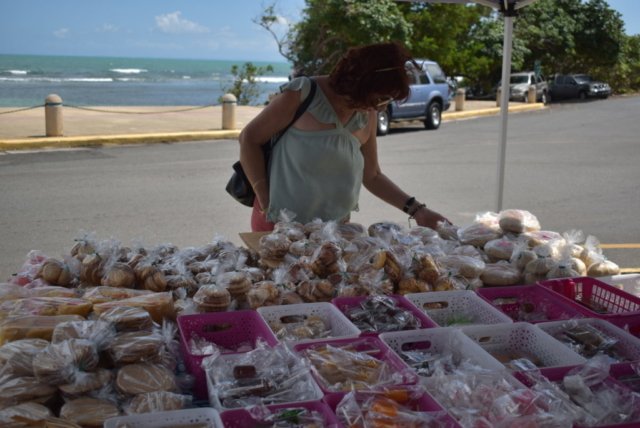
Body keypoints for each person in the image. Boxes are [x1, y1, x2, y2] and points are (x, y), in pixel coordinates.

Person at [238, 41, 449, 232]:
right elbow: (249, 138)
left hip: (333, 232)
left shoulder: (369, 114)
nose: (381, 106)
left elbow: (373, 175)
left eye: (389, 100)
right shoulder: (302, 95)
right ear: (361, 82)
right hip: (279, 225)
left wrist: (418, 211)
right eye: (380, 97)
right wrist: (264, 196)